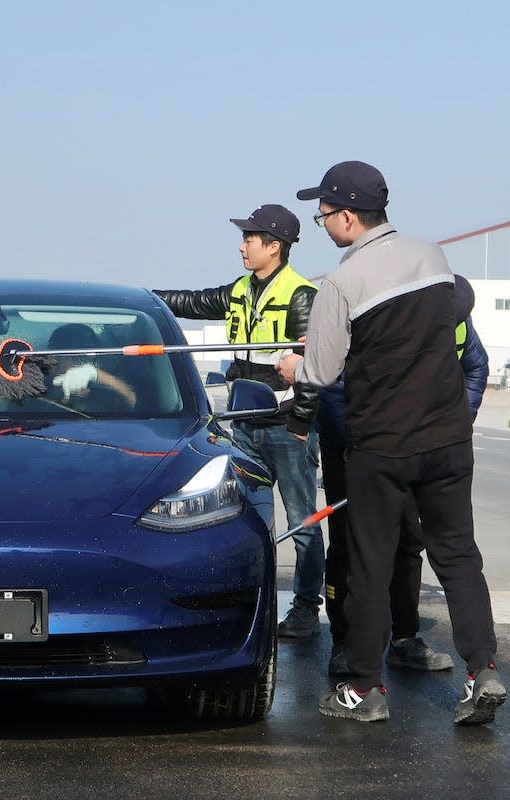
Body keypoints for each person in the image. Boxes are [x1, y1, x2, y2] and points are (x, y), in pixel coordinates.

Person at [278, 160, 503, 725]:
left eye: (323, 214)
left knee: (369, 567)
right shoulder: (434, 257)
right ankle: (483, 672)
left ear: (348, 216)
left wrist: (294, 363)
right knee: (457, 556)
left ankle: (363, 688)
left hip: (382, 446)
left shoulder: (340, 282)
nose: (323, 225)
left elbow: (322, 372)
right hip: (449, 437)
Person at [154, 205, 323, 637]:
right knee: (241, 516)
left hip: (286, 428)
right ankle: (245, 594)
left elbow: (310, 368)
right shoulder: (241, 289)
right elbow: (192, 302)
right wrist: (145, 298)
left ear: (274, 246)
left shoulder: (301, 295)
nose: (241, 245)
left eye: (249, 238)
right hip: (244, 426)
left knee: (302, 519)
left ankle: (305, 607)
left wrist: (301, 425)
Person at [320, 275, 489, 677]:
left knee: (410, 542)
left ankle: (404, 637)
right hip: (358, 447)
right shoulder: (382, 324)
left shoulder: (459, 323)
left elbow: (475, 368)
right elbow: (332, 387)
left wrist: (455, 424)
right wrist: (360, 442)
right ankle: (346, 645)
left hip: (414, 446)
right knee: (352, 547)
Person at [45, 323, 137, 412]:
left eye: (91, 362)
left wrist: (96, 375)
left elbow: (134, 404)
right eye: (78, 360)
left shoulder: (106, 389)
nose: (80, 368)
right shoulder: (40, 385)